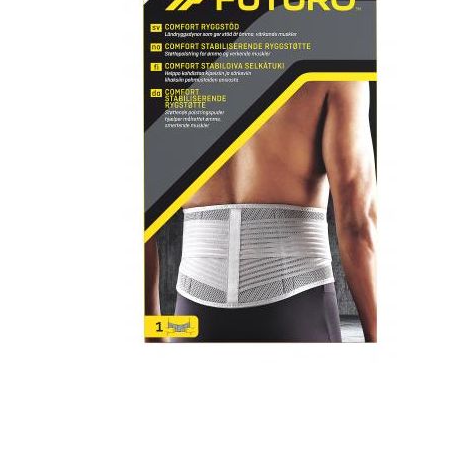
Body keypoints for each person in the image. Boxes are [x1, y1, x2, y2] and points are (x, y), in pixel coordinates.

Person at [145, 80, 377, 342]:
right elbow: (358, 225)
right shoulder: (333, 69)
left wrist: (151, 334)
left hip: (194, 314)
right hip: (298, 312)